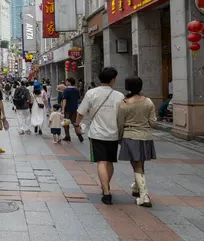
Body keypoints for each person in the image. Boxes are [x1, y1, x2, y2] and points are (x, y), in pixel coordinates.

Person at [75, 67, 124, 205]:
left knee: (101, 162)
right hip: (113, 134)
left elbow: (81, 112)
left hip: (97, 133)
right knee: (109, 162)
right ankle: (106, 186)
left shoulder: (91, 93)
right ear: (113, 80)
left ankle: (106, 191)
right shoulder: (119, 96)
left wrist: (77, 125)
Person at [117, 76, 158, 208]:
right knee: (140, 163)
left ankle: (144, 196)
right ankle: (137, 187)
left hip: (130, 135)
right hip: (146, 136)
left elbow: (120, 123)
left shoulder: (124, 103)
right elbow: (153, 122)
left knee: (137, 164)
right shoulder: (149, 102)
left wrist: (119, 137)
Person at [61, 77, 84, 142]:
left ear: (69, 82)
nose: (66, 82)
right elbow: (78, 98)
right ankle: (79, 135)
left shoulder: (66, 90)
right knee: (75, 123)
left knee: (66, 123)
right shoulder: (76, 90)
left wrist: (63, 109)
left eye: (67, 81)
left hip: (67, 109)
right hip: (74, 108)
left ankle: (67, 136)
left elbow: (64, 100)